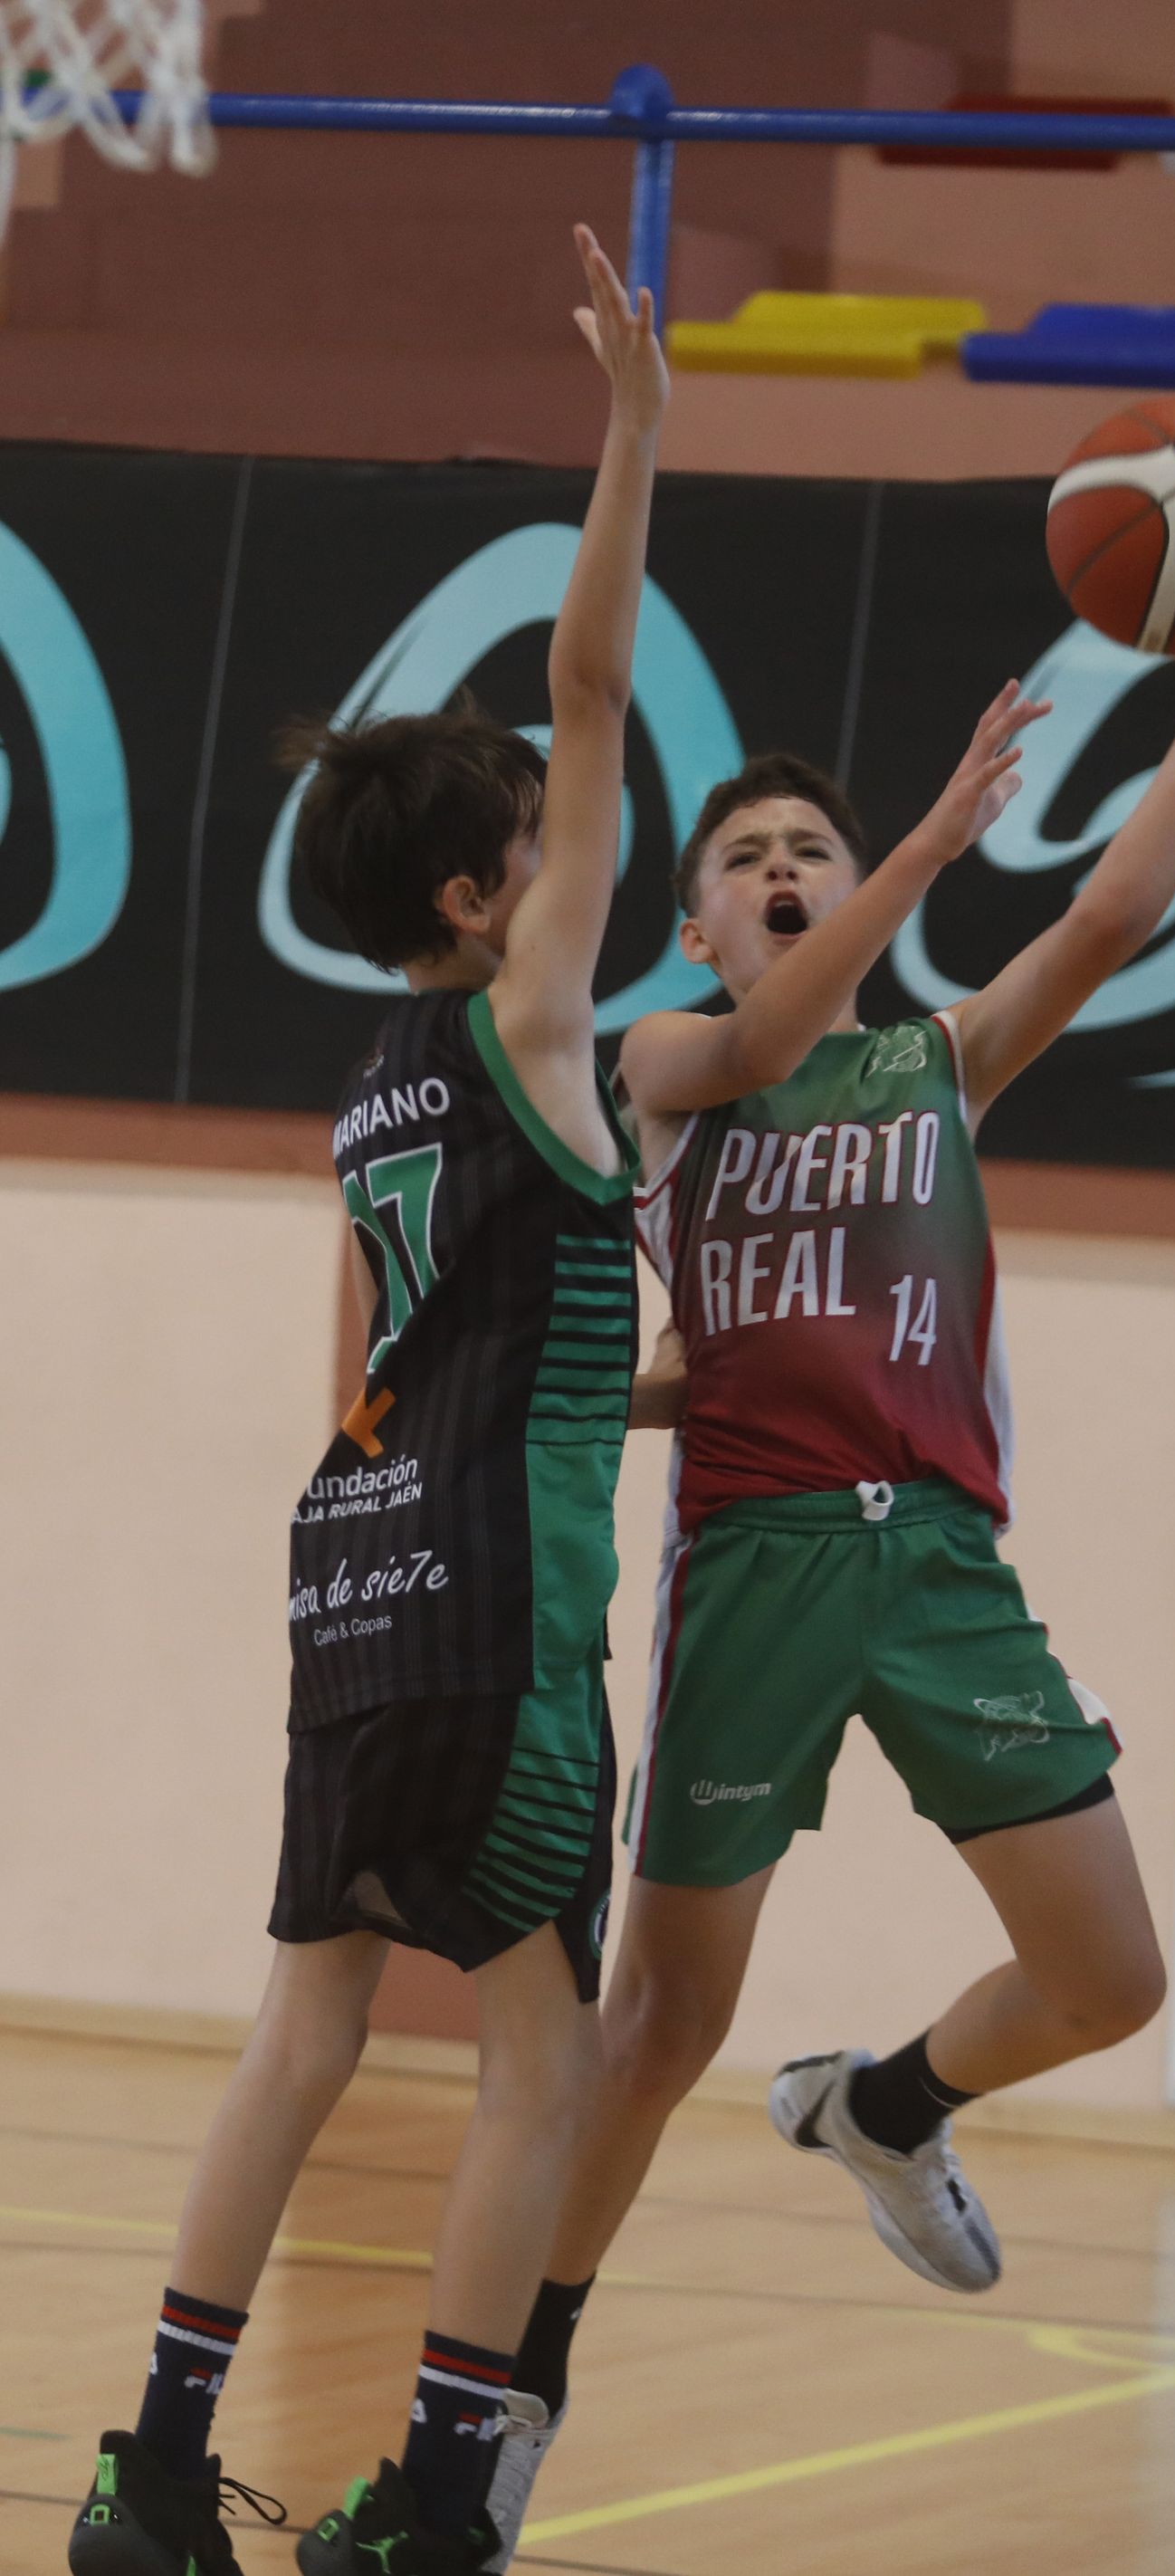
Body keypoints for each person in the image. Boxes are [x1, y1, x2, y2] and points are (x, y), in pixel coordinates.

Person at [482, 575, 1175, 2565]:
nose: (778, 871)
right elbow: (708, 1300)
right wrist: (644, 1401)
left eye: (807, 850)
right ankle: (513, 2378)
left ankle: (891, 2102)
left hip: (936, 1559)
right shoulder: (668, 1065)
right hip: (755, 1568)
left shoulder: (934, 1065)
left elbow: (1104, 920)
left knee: (1110, 1977)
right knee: (657, 2026)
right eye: (746, 859)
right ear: (696, 922)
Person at [67, 225, 669, 2576]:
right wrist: (633, 437)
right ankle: (431, 2503)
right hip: (494, 1603)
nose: (570, 860)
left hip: (346, 1577)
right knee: (544, 2058)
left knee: (300, 2028)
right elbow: (599, 691)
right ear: (473, 894)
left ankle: (146, 2464)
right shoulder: (527, 1025)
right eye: (536, 849)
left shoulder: (373, 1085)